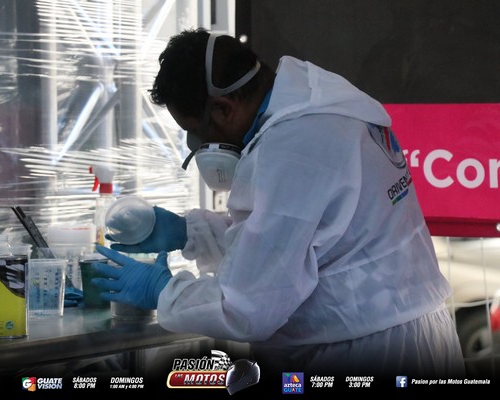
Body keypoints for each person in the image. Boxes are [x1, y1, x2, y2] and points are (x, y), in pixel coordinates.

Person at [92, 27, 465, 382]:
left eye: (195, 130)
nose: (198, 144)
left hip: (368, 351)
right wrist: (191, 233)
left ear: (223, 109)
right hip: (401, 332)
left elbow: (247, 305)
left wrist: (161, 290)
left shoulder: (293, 146)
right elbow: (294, 240)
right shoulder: (322, 103)